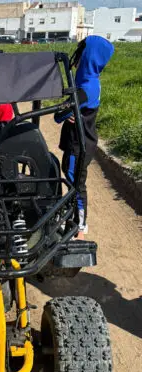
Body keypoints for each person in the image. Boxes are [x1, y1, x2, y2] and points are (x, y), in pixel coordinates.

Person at [54, 36, 114, 240]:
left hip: (78, 145)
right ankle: (73, 217)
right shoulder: (90, 82)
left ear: (88, 58)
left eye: (80, 56)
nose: (76, 59)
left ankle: (79, 225)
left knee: (76, 184)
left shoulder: (86, 89)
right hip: (80, 143)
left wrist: (66, 109)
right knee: (72, 179)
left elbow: (58, 115)